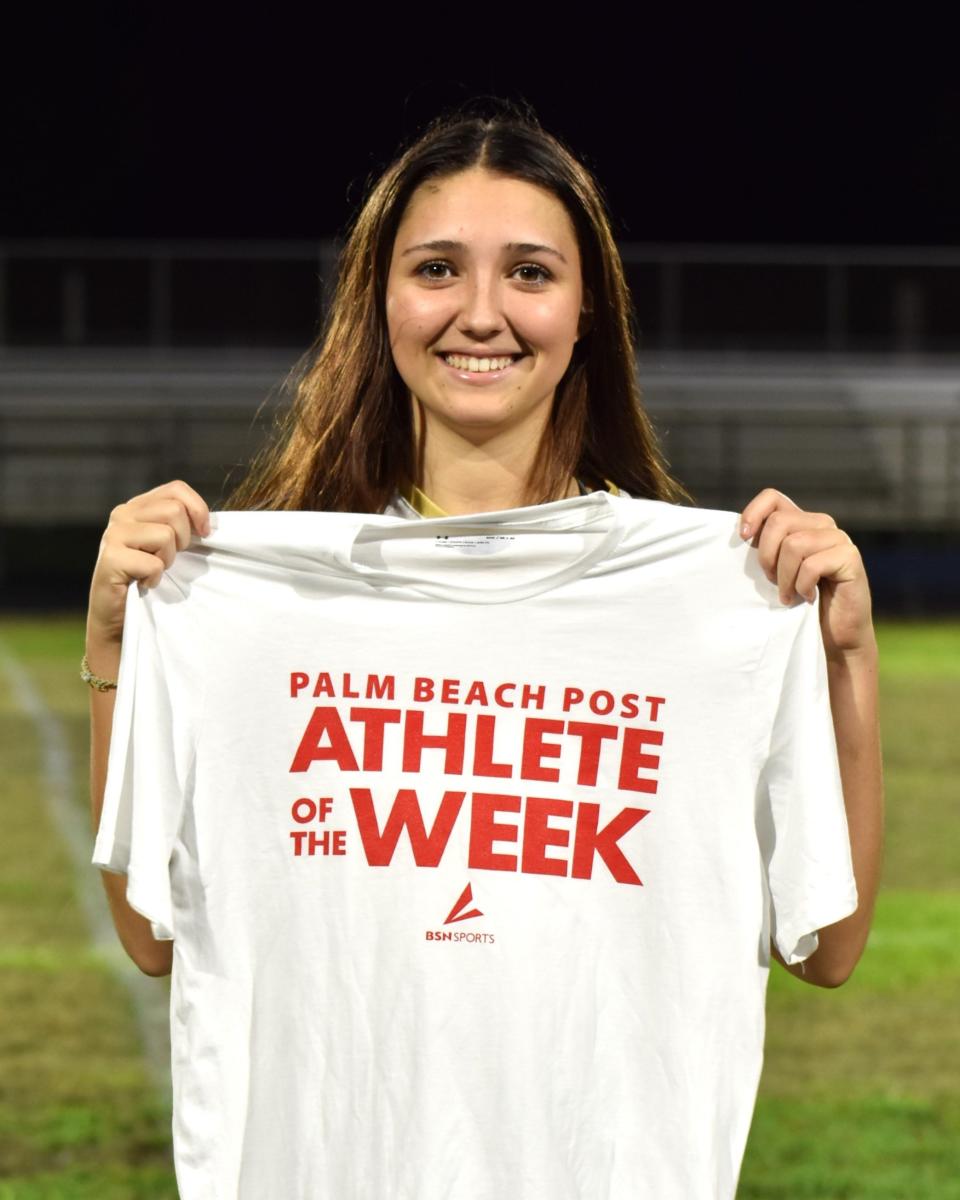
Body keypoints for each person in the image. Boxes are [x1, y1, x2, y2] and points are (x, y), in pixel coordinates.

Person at [85, 99, 883, 1196]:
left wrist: (843, 660)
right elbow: (153, 938)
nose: (481, 313)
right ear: (381, 299)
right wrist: (119, 647)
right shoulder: (254, 597)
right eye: (438, 269)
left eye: (529, 273)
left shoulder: (709, 598)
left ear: (587, 307)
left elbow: (827, 950)